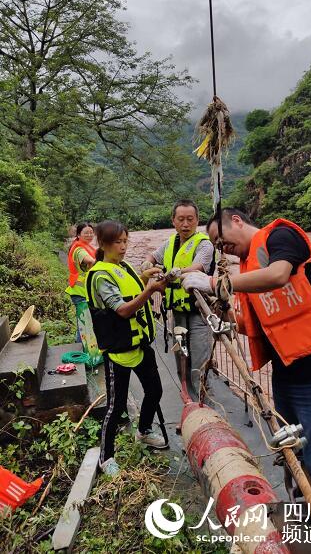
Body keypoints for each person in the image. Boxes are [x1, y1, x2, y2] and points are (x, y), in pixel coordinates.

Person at [181, 208, 311, 509]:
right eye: (215, 245)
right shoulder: (247, 268)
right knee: (296, 450)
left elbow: (279, 275)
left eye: (220, 239)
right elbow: (251, 323)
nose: (221, 248)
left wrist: (214, 284)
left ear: (237, 221)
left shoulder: (280, 236)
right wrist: (218, 307)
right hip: (287, 374)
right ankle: (309, 514)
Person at [86, 220, 168, 476]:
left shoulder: (123, 267)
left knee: (154, 391)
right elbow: (121, 309)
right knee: (116, 406)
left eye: (125, 241)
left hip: (140, 345)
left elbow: (131, 287)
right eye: (117, 243)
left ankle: (144, 431)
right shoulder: (100, 275)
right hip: (118, 352)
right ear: (104, 244)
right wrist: (151, 290)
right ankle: (105, 457)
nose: (122, 247)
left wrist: (146, 277)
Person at [142, 199, 214, 376]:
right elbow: (153, 255)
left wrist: (177, 272)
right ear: (173, 220)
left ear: (198, 220)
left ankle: (202, 400)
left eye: (190, 219)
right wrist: (147, 263)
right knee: (181, 360)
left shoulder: (204, 244)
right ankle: (187, 399)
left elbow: (198, 267)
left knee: (199, 365)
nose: (185, 224)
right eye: (181, 219)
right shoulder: (170, 243)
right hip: (177, 311)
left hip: (199, 311)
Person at [65, 222, 96, 342]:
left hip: (83, 292)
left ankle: (82, 351)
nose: (89, 235)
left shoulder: (86, 247)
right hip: (80, 293)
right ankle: (81, 353)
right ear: (78, 234)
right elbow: (89, 260)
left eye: (91, 232)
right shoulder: (79, 249)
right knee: (84, 326)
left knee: (84, 325)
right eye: (86, 233)